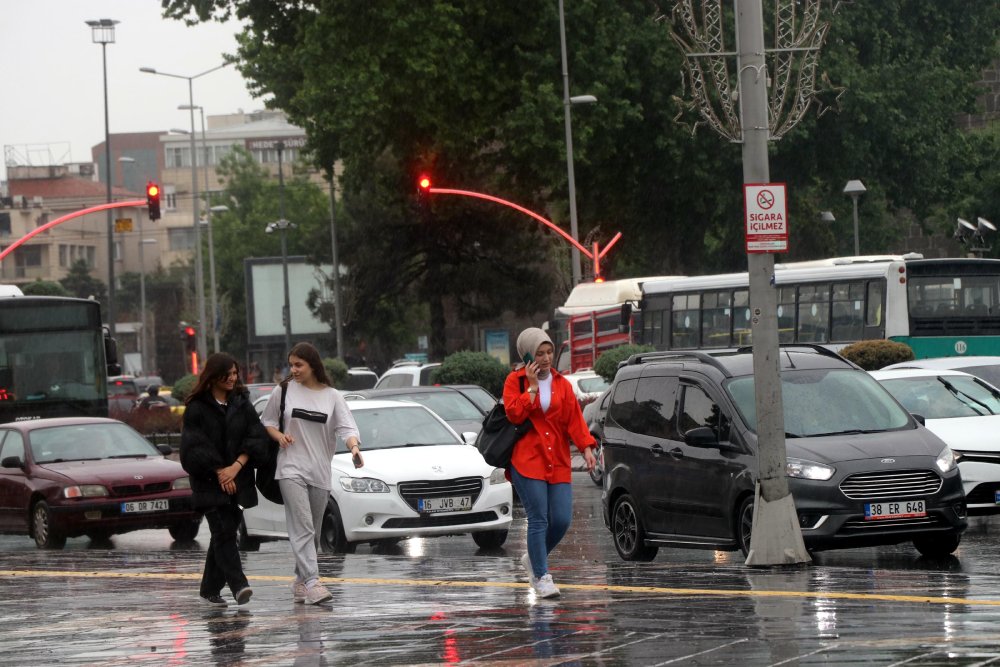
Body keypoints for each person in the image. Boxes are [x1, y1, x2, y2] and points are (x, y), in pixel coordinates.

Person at [260, 342, 364, 605]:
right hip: (289, 469)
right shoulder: (283, 391)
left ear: (313, 365)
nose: (293, 370)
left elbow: (347, 427)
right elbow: (268, 422)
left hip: (319, 471)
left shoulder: (332, 396)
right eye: (291, 364)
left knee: (313, 532)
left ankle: (299, 580)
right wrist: (280, 436)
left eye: (299, 365)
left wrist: (354, 449)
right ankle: (313, 582)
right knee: (303, 526)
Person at [505, 327, 596, 599]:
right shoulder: (515, 381)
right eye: (540, 353)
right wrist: (532, 387)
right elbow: (514, 415)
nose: (546, 358)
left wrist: (588, 447)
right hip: (527, 459)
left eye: (550, 352)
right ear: (528, 355)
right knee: (539, 518)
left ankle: (533, 558)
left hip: (557, 459)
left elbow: (574, 421)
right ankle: (542, 576)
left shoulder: (562, 384)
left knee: (562, 520)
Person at [180, 353, 268, 607]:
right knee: (223, 530)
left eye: (234, 373)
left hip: (238, 478)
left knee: (225, 532)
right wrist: (220, 471)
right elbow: (193, 448)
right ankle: (239, 584)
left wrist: (235, 467)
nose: (232, 378)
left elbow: (256, 438)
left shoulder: (242, 402)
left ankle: (209, 589)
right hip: (209, 483)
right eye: (226, 374)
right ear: (214, 376)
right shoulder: (197, 407)